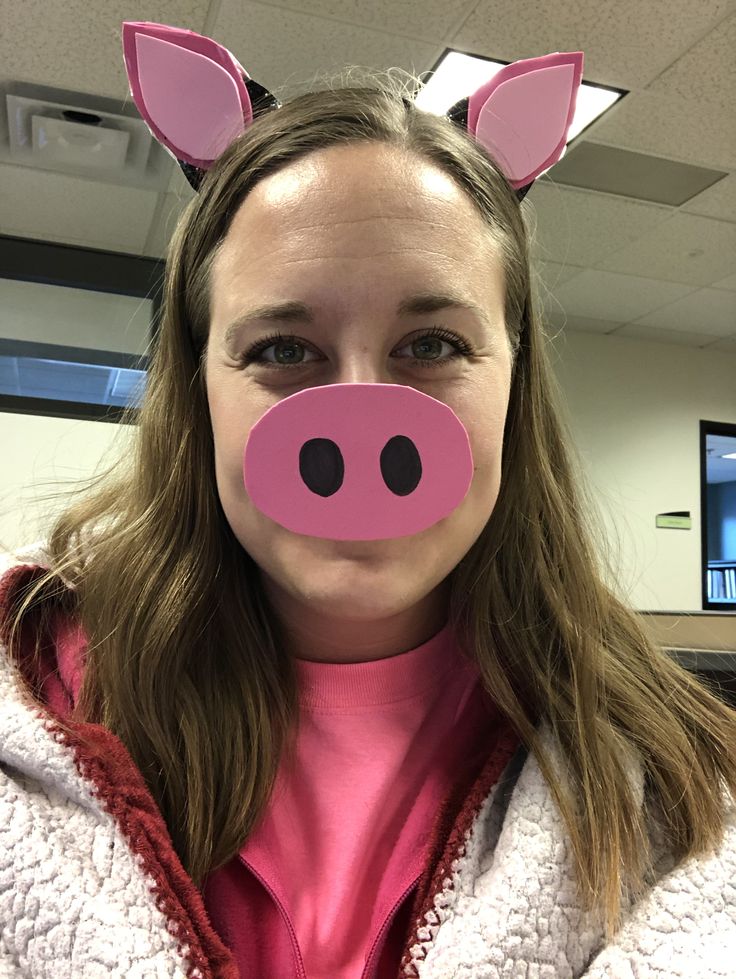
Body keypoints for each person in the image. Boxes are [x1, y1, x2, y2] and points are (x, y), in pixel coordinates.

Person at [1, 20, 735, 979]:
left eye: (430, 346)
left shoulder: (669, 778)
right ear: (200, 389)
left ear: (514, 384)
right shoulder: (45, 701)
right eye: (282, 351)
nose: (361, 421)